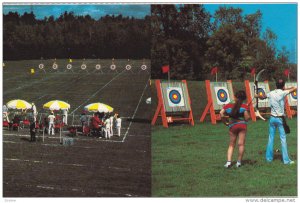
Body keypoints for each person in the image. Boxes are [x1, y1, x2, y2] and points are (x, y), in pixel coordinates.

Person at [257, 79, 297, 165]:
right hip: (279, 119)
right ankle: (286, 161)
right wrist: (285, 88)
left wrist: (257, 96)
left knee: (271, 138)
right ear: (283, 86)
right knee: (283, 139)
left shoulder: (271, 93)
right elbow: (294, 88)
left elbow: (263, 96)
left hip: (272, 118)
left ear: (276, 85)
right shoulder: (283, 92)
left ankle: (269, 158)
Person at [220, 90, 250, 168]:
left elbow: (221, 113)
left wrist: (225, 122)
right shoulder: (244, 106)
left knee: (231, 144)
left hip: (232, 126)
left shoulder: (228, 106)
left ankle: (228, 162)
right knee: (241, 144)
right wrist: (245, 119)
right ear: (243, 98)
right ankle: (239, 162)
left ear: (235, 97)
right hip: (242, 125)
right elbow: (247, 117)